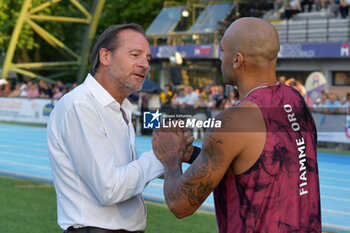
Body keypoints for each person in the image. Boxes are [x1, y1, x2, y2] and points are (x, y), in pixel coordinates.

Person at [152, 18, 321, 233]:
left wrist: (170, 158)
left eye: (222, 50)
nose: (219, 57)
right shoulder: (295, 101)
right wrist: (194, 155)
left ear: (237, 59)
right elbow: (262, 163)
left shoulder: (233, 122)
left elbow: (180, 204)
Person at [47, 23, 193, 233]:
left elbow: (127, 173)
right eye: (135, 55)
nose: (144, 64)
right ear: (105, 56)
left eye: (148, 59)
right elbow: (110, 189)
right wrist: (161, 154)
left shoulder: (120, 107)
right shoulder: (80, 106)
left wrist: (178, 153)